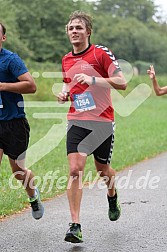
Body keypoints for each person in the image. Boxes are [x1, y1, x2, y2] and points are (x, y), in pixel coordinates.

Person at [58, 11, 127, 243]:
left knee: (102, 170)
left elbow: (122, 82)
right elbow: (69, 83)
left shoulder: (101, 53)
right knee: (75, 169)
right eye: (70, 28)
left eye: (78, 27)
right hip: (77, 119)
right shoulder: (66, 59)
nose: (74, 31)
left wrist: (94, 80)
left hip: (102, 121)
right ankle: (75, 224)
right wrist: (64, 93)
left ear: (88, 31)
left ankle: (112, 195)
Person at [0, 22, 44, 219]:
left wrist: (3, 86)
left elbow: (31, 86)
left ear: (3, 38)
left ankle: (33, 196)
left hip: (14, 123)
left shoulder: (11, 60)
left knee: (17, 171)